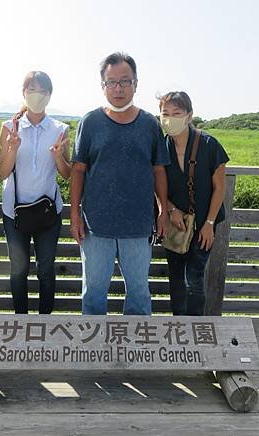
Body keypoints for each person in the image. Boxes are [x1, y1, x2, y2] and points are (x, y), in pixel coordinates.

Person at [70, 52, 170, 316]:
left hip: (138, 225)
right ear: (102, 85)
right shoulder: (90, 122)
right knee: (93, 293)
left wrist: (163, 210)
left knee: (139, 294)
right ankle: (92, 352)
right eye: (111, 82)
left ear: (136, 84)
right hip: (96, 225)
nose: (118, 88)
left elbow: (158, 170)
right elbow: (78, 170)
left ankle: (138, 353)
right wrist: (74, 214)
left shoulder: (149, 124)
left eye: (125, 81)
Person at [0, 71, 70, 314]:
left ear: (50, 96)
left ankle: (45, 324)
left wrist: (58, 156)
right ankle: (21, 321)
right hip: (14, 211)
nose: (37, 95)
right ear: (23, 93)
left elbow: (67, 173)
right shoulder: (9, 127)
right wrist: (11, 149)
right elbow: (2, 172)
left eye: (42, 91)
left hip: (48, 210)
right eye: (32, 90)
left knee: (46, 268)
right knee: (18, 269)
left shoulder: (60, 129)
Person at [159, 91, 229, 316]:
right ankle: (178, 325)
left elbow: (220, 188)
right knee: (176, 276)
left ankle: (196, 328)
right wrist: (170, 209)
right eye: (165, 113)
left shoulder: (209, 144)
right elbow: (155, 183)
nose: (170, 118)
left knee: (194, 277)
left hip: (203, 224)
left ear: (189, 115)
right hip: (174, 223)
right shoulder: (161, 147)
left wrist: (209, 223)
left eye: (176, 113)